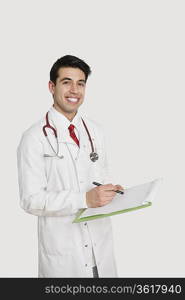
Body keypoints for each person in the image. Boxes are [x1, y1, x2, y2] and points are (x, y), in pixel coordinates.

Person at [17, 55, 124, 278]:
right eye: (66, 82)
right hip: (65, 258)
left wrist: (111, 193)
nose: (74, 90)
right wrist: (84, 199)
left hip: (100, 253)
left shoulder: (96, 132)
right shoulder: (33, 138)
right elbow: (31, 200)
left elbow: (98, 181)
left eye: (81, 83)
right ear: (51, 86)